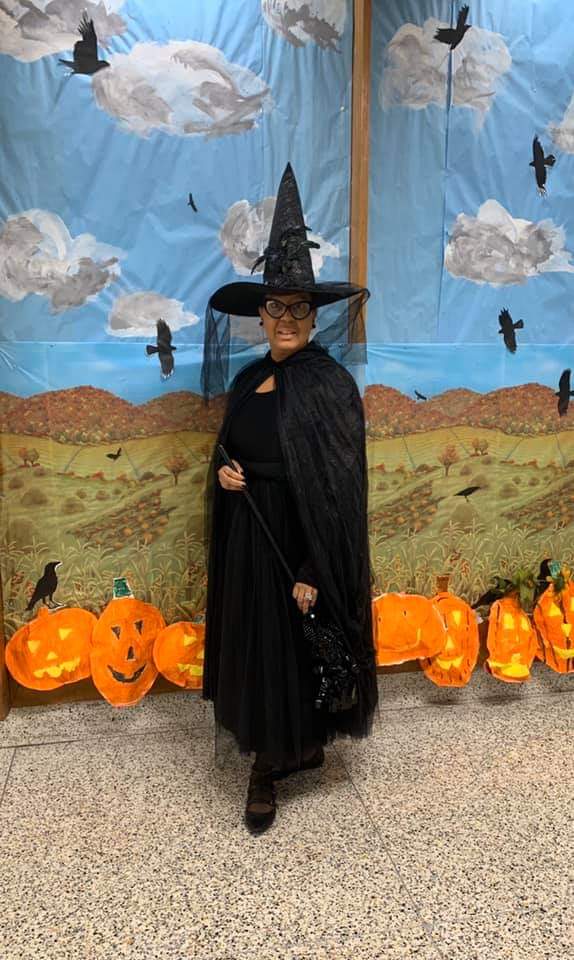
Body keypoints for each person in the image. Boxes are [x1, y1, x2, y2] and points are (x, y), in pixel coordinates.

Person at [200, 163, 378, 834]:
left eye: (297, 308)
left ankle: (278, 761)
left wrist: (310, 570)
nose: (284, 319)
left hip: (297, 543)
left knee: (295, 646)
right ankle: (270, 753)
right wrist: (224, 479)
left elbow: (338, 494)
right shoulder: (249, 381)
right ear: (262, 314)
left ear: (313, 316)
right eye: (274, 307)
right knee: (262, 647)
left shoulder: (330, 388)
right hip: (249, 537)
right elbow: (227, 453)